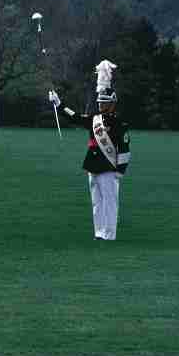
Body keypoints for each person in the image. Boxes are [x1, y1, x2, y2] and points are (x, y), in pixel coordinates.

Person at [48, 87, 131, 241]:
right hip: (92, 166)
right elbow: (75, 117)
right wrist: (59, 104)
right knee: (97, 203)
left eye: (104, 102)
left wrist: (120, 170)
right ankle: (99, 233)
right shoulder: (94, 119)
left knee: (109, 203)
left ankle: (109, 234)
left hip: (109, 167)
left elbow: (125, 149)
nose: (100, 105)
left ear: (112, 104)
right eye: (99, 102)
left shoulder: (120, 123)